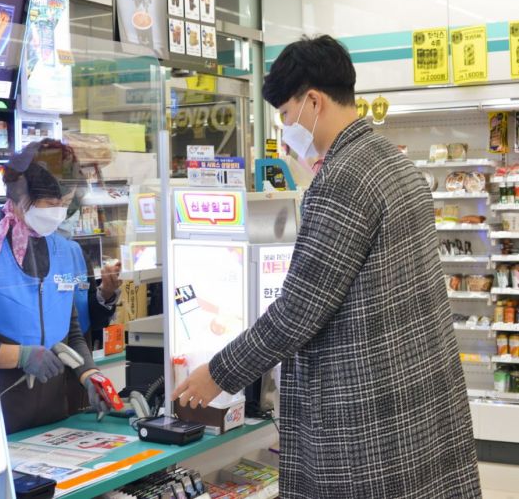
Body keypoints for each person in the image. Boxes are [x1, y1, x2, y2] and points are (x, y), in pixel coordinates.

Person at [172, 35, 481, 498]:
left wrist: (217, 373)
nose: (285, 129)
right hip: (420, 399)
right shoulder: (396, 165)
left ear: (313, 101)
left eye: (285, 114)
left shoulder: (343, 179)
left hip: (368, 416)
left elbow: (298, 310)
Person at [0, 140, 121, 433]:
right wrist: (21, 356)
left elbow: (72, 330)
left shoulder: (63, 250)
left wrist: (90, 374)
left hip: (54, 413)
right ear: (21, 196)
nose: (58, 213)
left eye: (65, 204)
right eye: (51, 205)